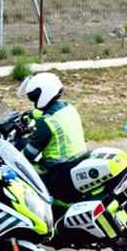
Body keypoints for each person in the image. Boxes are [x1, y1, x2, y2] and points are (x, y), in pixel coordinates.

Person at [16, 72, 87, 202]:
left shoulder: (46, 123)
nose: (33, 101)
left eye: (33, 97)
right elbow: (47, 113)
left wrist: (18, 145)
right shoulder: (68, 107)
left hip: (60, 173)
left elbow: (28, 155)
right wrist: (31, 114)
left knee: (23, 180)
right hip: (79, 160)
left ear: (43, 94)